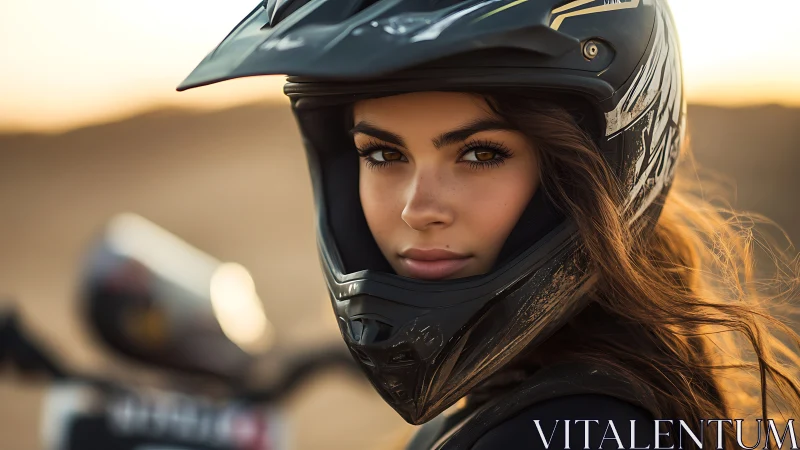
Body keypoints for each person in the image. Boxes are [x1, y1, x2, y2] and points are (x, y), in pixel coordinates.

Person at [178, 0, 800, 448]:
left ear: (583, 174)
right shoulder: (588, 400)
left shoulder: (557, 429)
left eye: (480, 154)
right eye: (383, 154)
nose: (417, 208)